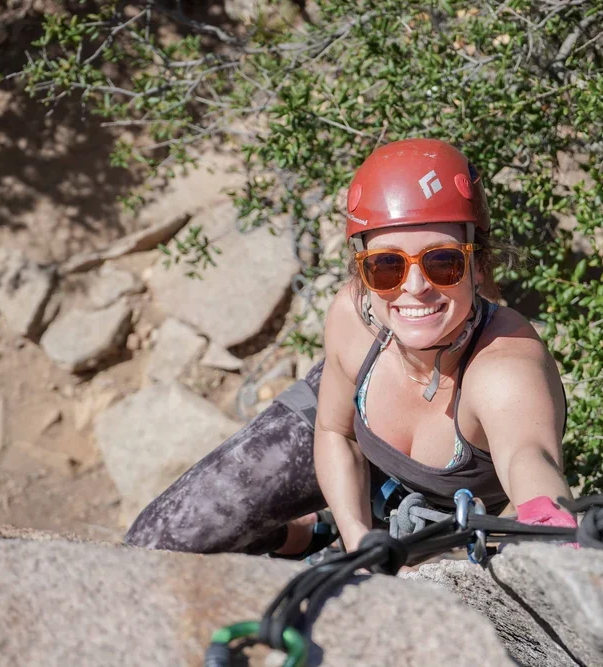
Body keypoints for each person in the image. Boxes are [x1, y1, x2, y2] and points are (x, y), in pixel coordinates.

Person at [124, 138, 576, 559]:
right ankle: (304, 533)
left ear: (478, 266)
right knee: (159, 541)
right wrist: (359, 542)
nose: (415, 288)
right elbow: (336, 432)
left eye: (443, 262)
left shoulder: (503, 368)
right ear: (361, 272)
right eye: (386, 267)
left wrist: (548, 523)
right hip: (343, 415)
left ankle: (324, 537)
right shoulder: (357, 318)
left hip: (431, 510)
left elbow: (529, 461)